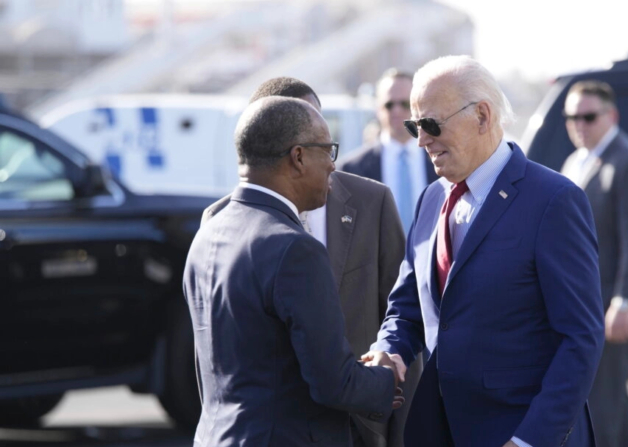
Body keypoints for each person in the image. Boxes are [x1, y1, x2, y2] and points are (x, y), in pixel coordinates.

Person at [362, 55, 604, 447]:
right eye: (414, 125)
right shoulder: (430, 200)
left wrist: (529, 439)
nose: (420, 139)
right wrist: (389, 350)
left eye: (430, 124)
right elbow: (407, 307)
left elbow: (580, 338)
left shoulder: (554, 201)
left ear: (482, 116)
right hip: (442, 430)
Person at [201, 77, 418, 447]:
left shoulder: (212, 231)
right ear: (297, 154)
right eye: (324, 147)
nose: (333, 165)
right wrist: (386, 378)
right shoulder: (293, 247)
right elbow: (332, 381)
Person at [560, 80, 628, 447]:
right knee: (599, 397)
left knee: (604, 399)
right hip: (585, 302)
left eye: (588, 116)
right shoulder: (575, 160)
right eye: (571, 116)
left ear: (612, 116)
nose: (579, 124)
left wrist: (625, 301)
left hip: (613, 302)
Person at [340, 68, 437, 232]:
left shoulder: (443, 159)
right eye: (389, 104)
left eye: (404, 104)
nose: (397, 111)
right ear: (378, 108)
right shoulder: (351, 170)